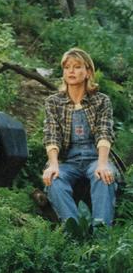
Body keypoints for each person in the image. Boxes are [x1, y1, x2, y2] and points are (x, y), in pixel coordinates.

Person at [42, 48, 117, 226]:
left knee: (103, 177)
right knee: (53, 180)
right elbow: (51, 133)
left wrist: (102, 164)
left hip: (95, 157)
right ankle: (74, 230)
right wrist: (53, 165)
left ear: (88, 72)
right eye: (67, 67)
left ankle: (101, 236)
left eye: (77, 67)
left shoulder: (101, 101)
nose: (71, 71)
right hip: (68, 161)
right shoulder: (54, 102)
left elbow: (104, 131)